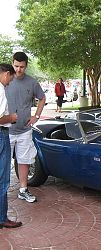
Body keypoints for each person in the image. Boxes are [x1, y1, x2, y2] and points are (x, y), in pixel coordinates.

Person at [5, 52, 46, 203]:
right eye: (16, 66)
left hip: (24, 130)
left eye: (22, 67)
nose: (18, 69)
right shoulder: (5, 80)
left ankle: (23, 189)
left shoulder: (32, 83)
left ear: (26, 66)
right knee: (3, 160)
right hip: (5, 131)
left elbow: (42, 98)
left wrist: (36, 116)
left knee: (24, 160)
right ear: (12, 63)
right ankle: (3, 191)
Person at [0, 63, 22, 228]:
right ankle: (2, 218)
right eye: (10, 78)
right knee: (3, 178)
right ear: (6, 74)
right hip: (1, 134)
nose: (9, 82)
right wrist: (12, 117)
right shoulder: (0, 90)